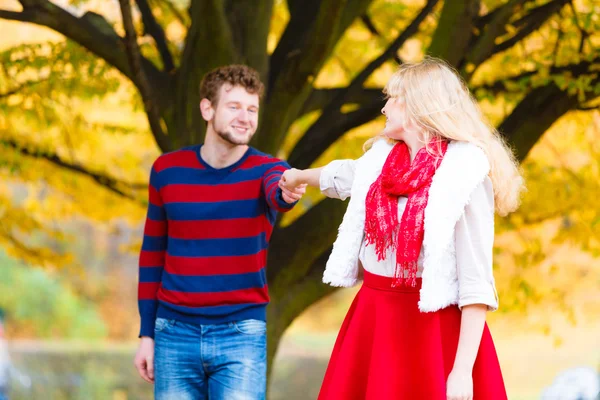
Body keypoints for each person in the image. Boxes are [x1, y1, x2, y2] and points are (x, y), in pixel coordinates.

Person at [280, 57, 524, 400]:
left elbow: (476, 285)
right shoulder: (382, 161)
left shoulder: (463, 175)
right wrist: (300, 176)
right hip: (375, 317)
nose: (385, 107)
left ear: (419, 108)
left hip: (435, 329)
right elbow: (346, 174)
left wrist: (461, 372)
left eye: (394, 98)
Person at [134, 64, 305, 400]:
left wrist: (289, 190)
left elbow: (280, 189)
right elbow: (152, 255)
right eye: (235, 107)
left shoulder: (268, 170)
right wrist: (146, 334)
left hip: (241, 334)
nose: (246, 117)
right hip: (173, 332)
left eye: (252, 109)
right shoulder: (167, 170)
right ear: (207, 109)